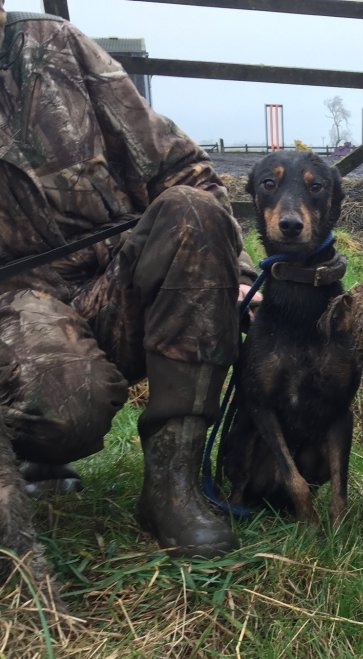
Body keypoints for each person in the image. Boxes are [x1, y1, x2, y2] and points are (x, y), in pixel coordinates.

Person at [0, 2, 256, 557]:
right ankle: (33, 450)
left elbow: (180, 167)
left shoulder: (54, 44)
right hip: (14, 304)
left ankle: (172, 487)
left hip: (115, 270)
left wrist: (235, 273)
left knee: (191, 210)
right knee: (68, 411)